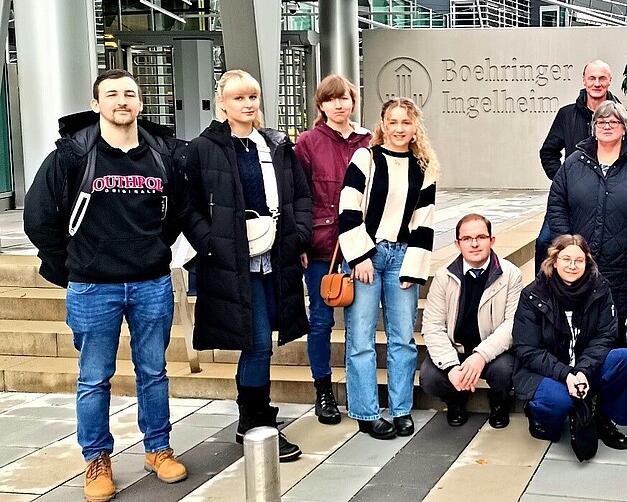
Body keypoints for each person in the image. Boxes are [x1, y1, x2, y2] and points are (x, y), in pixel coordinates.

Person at [24, 69, 191, 501]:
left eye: (130, 94)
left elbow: (177, 212)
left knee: (153, 371)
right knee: (94, 377)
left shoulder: (160, 154)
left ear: (140, 103)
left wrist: (155, 249)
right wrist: (72, 267)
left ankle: (158, 448)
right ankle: (96, 459)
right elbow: (39, 217)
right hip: (93, 287)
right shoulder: (73, 154)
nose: (123, 100)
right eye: (112, 94)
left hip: (150, 282)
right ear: (96, 104)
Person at [184, 69, 312, 462]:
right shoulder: (203, 148)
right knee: (255, 341)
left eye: (253, 96)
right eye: (238, 98)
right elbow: (188, 207)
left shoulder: (275, 144)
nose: (248, 104)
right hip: (233, 261)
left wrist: (299, 235)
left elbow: (300, 195)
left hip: (275, 257)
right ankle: (253, 422)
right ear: (222, 103)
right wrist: (210, 243)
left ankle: (258, 410)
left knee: (264, 341)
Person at [339, 96, 439, 440]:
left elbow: (423, 222)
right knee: (361, 339)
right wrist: (360, 256)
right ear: (383, 124)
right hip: (368, 255)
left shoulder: (423, 167)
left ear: (415, 128)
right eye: (393, 122)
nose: (399, 128)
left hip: (402, 257)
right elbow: (348, 207)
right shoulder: (365, 158)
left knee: (402, 339)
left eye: (406, 123)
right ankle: (366, 412)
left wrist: (413, 268)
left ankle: (400, 409)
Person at [546, 100, 627, 343]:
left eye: (614, 122)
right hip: (581, 267)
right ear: (593, 128)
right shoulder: (574, 164)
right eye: (601, 122)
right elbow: (556, 207)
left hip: (625, 271)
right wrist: (567, 249)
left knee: (618, 339)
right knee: (580, 335)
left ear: (625, 128)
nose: (607, 126)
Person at [293, 74, 372, 425]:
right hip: (323, 248)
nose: (340, 105)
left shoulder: (369, 140)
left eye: (346, 98)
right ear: (321, 105)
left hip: (364, 247)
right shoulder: (308, 142)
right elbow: (298, 194)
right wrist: (300, 240)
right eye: (332, 99)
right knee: (322, 321)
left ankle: (361, 391)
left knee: (361, 323)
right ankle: (323, 389)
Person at [513, 235, 627, 451]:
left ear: (587, 262)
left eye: (579, 260)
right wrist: (566, 374)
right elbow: (527, 349)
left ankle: (603, 419)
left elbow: (605, 336)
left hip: (583, 367)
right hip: (547, 371)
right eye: (566, 259)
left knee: (625, 358)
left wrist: (581, 371)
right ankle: (539, 412)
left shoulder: (600, 289)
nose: (572, 266)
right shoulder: (533, 294)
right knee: (559, 404)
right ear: (554, 261)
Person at [535, 60, 627, 273]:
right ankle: (545, 290)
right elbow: (548, 152)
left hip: (613, 197)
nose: (597, 83)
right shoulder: (566, 115)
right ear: (584, 80)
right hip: (572, 198)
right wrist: (564, 182)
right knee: (544, 242)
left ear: (610, 81)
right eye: (592, 78)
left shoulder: (624, 118)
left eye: (602, 78)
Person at [419, 214, 522, 429]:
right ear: (457, 244)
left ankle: (499, 404)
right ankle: (456, 402)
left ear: (491, 240)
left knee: (505, 371)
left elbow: (512, 325)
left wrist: (481, 355)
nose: (474, 244)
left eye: (481, 237)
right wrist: (450, 366)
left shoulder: (510, 274)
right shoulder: (443, 276)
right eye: (467, 239)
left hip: (493, 352)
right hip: (456, 350)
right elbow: (432, 326)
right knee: (430, 377)